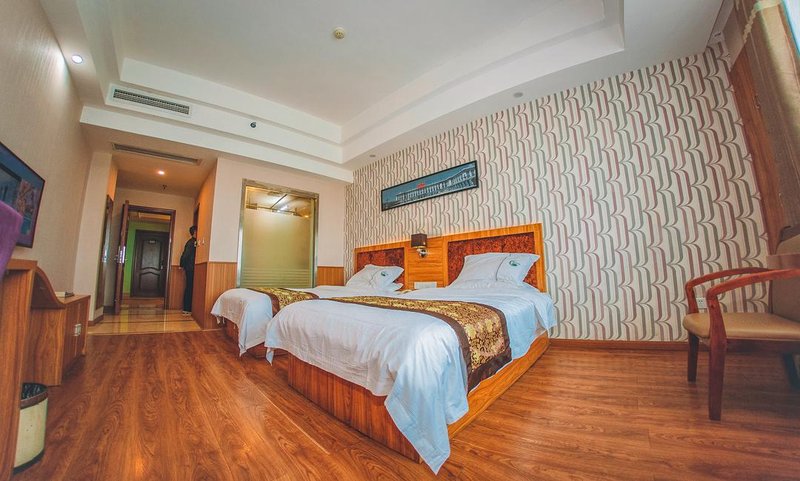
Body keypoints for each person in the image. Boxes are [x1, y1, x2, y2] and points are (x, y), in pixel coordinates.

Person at [179, 226, 197, 314]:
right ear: (195, 232)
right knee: (189, 287)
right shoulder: (192, 242)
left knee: (189, 287)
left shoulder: (192, 242)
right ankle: (187, 308)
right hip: (190, 268)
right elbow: (185, 255)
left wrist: (182, 265)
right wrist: (182, 264)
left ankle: (187, 308)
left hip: (190, 268)